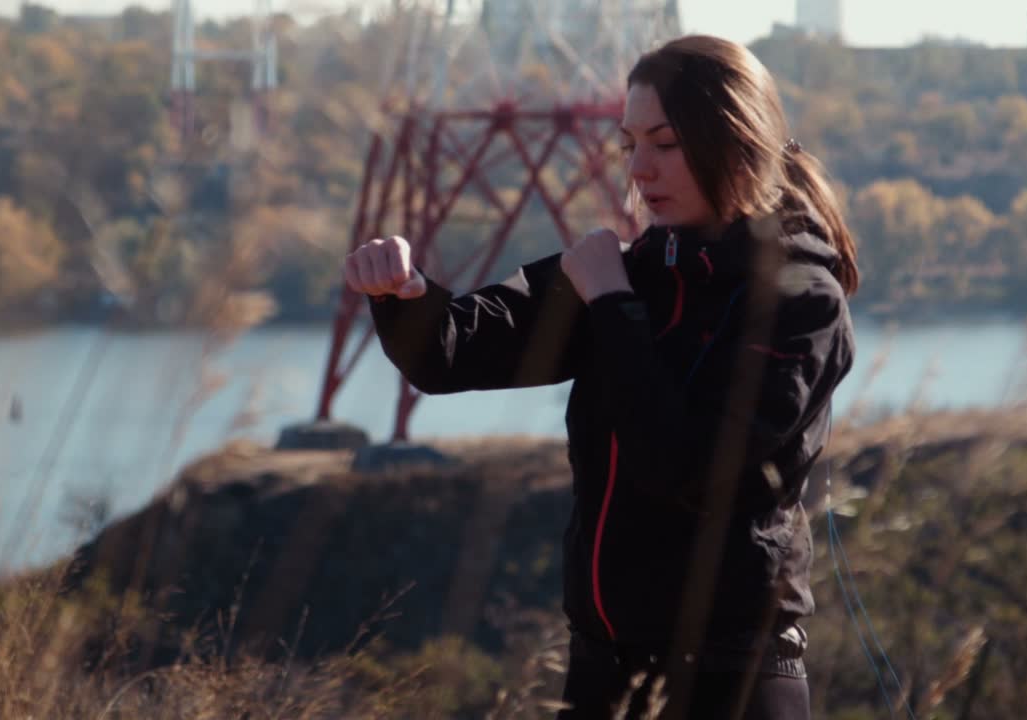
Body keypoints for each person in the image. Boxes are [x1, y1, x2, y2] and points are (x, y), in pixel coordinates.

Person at [344, 34, 858, 720]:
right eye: (628, 144)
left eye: (665, 143)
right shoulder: (630, 270)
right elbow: (448, 355)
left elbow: (691, 469)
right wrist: (404, 292)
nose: (639, 169)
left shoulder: (799, 300)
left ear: (737, 142)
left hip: (730, 682)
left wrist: (613, 304)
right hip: (600, 674)